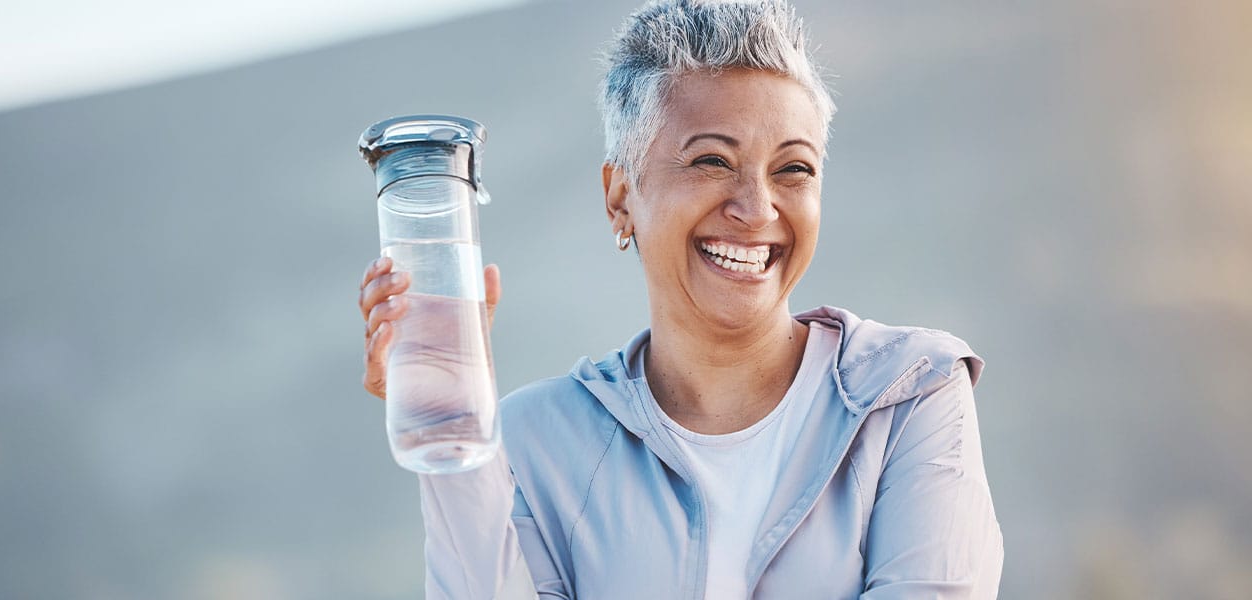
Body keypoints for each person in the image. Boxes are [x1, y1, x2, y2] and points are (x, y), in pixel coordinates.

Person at [357, 0, 1004, 597]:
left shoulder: (907, 394)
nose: (756, 209)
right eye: (711, 162)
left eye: (793, 169)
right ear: (620, 198)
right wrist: (452, 423)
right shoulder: (536, 440)